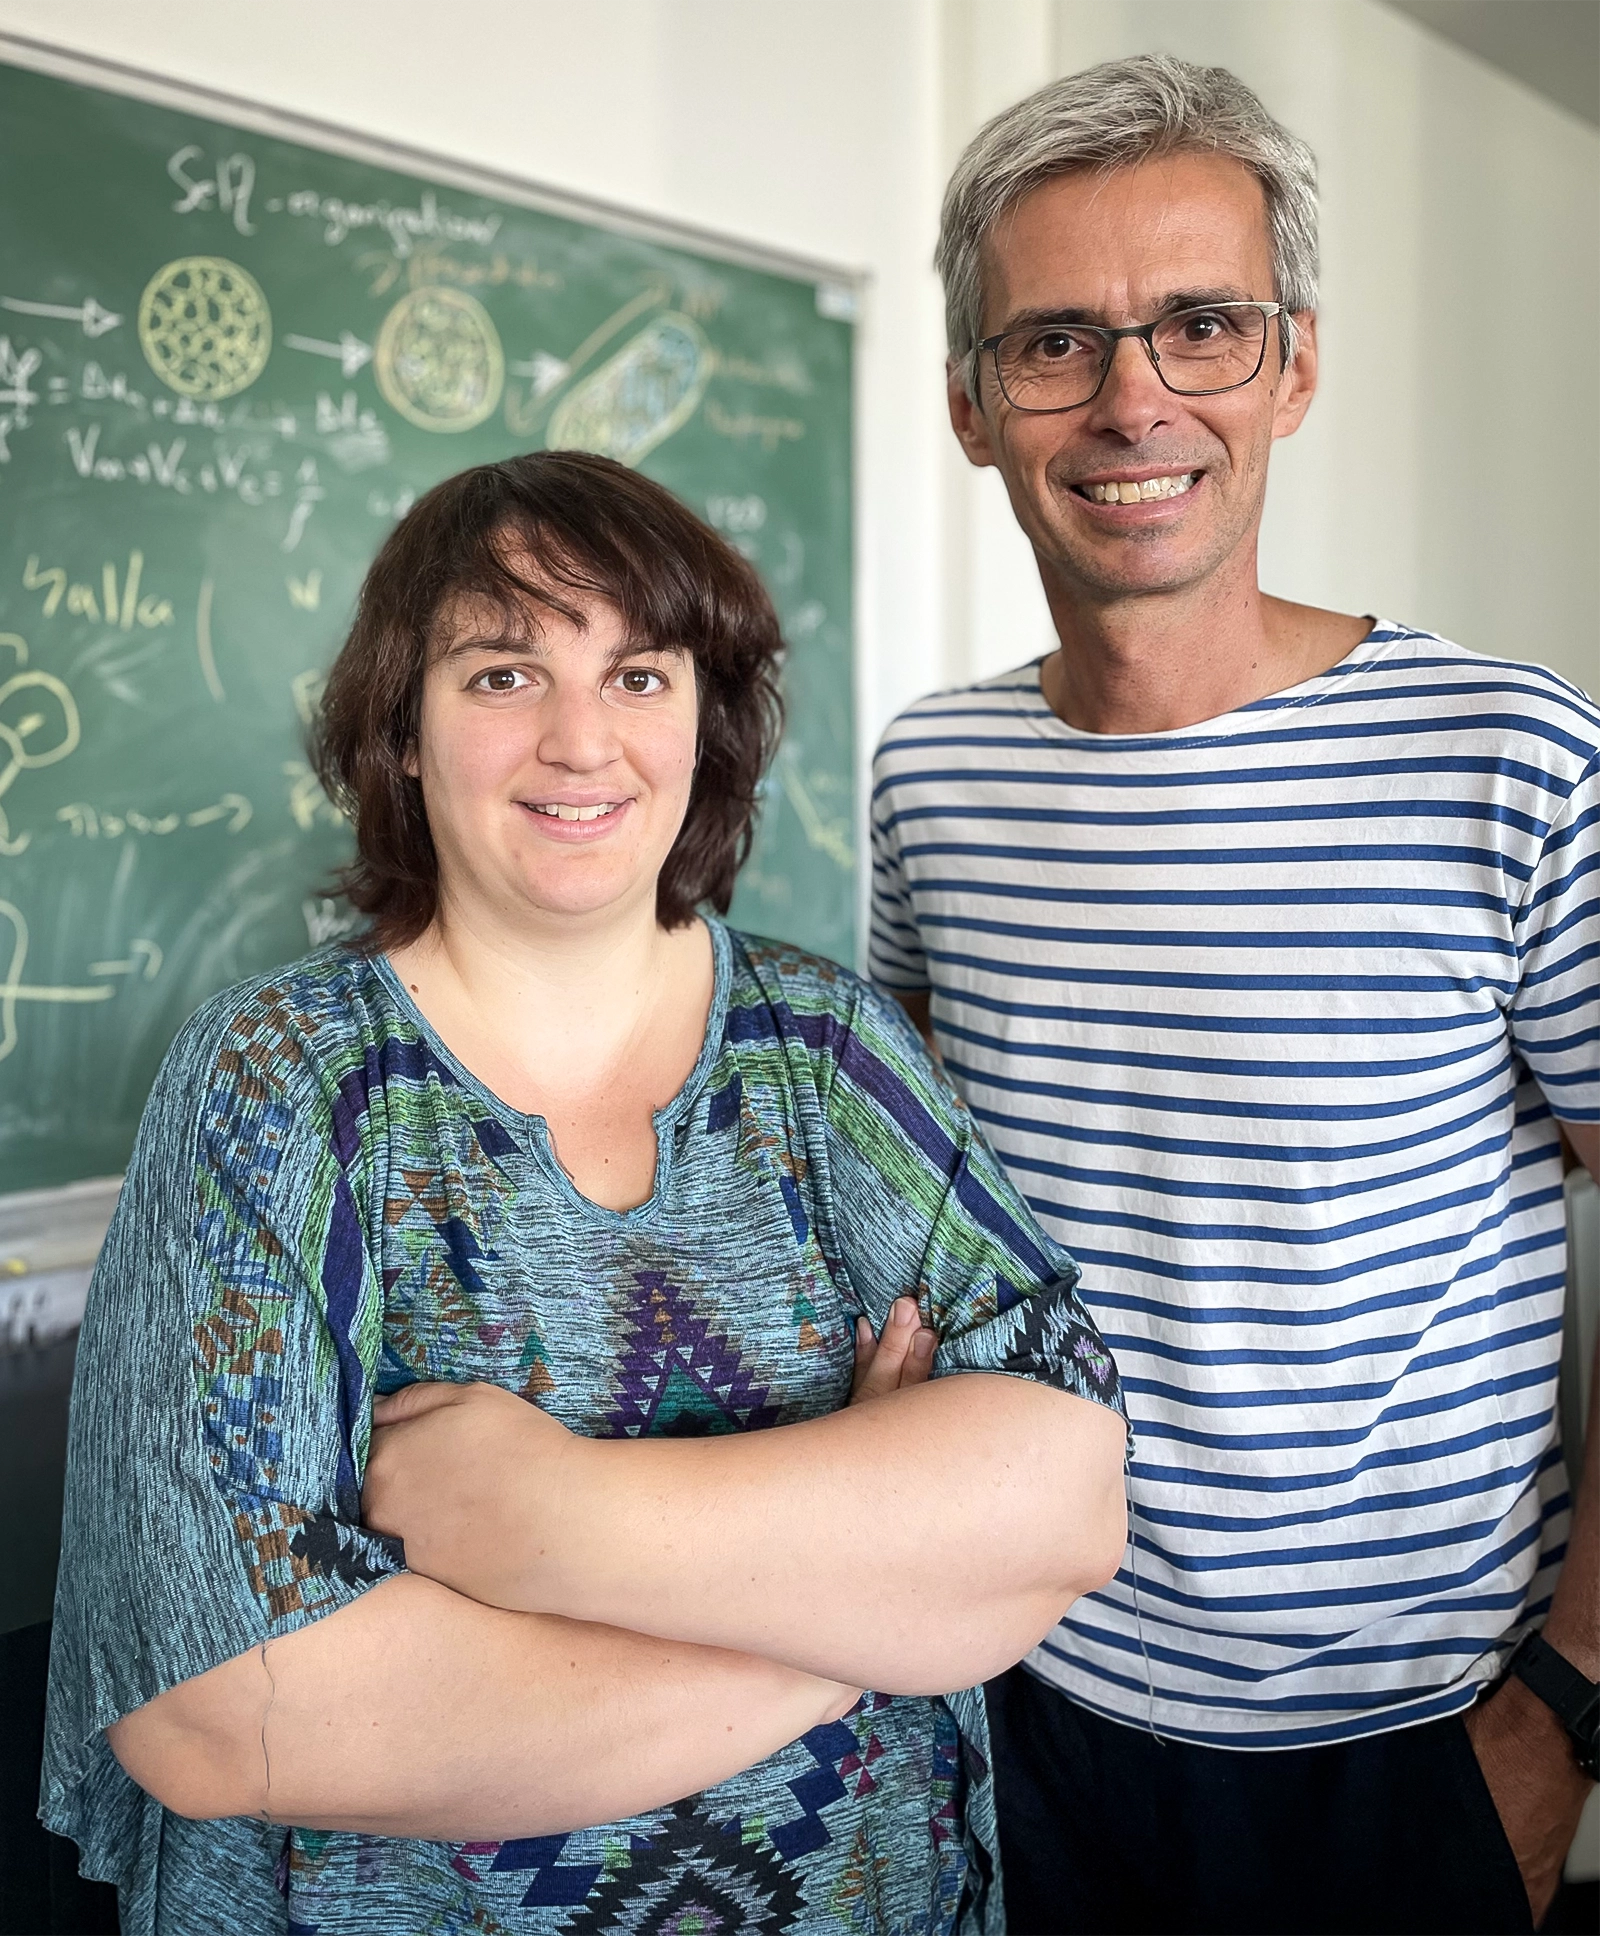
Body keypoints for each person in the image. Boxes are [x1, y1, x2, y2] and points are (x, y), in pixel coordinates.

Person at [41, 450, 1127, 1936]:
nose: (580, 742)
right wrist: (869, 1619)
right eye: (501, 675)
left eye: (640, 676)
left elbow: (1066, 1495)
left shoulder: (828, 1056)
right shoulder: (280, 1080)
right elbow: (226, 1709)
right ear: (403, 733)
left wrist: (556, 1518)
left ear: (705, 721)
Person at [869, 52, 1600, 1935]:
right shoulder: (932, 775)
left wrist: (1572, 1711)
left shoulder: (1514, 758)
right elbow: (932, 1188)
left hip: (1410, 1745)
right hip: (1012, 1698)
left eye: (1203, 325)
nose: (1135, 403)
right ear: (970, 404)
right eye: (1056, 345)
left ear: (1293, 366)